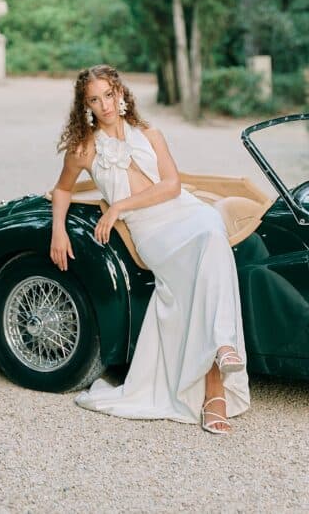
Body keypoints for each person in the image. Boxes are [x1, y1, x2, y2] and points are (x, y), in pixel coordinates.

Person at [49, 64, 250, 434]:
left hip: (183, 211)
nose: (104, 105)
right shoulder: (83, 149)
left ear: (121, 94)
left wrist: (118, 207)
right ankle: (216, 378)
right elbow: (61, 190)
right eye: (94, 99)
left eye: (109, 95)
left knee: (211, 235)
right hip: (151, 232)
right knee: (201, 261)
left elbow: (172, 186)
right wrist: (57, 232)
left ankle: (221, 352)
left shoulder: (150, 134)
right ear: (86, 106)